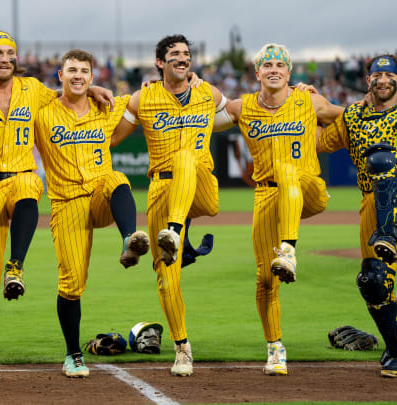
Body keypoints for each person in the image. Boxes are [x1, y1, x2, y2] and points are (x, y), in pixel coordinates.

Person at [0, 31, 114, 381]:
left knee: (30, 184)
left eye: (11, 52)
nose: (5, 58)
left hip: (21, 173)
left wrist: (90, 88)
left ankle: (15, 266)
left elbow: (68, 93)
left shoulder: (32, 89)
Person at [221, 43, 343, 375]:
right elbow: (199, 119)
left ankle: (288, 249)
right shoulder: (242, 106)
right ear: (257, 72)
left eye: (280, 65)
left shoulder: (308, 100)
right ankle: (275, 347)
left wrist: (323, 139)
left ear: (289, 73)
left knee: (287, 169)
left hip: (309, 188)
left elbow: (347, 120)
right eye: (267, 65)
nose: (274, 69)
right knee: (264, 279)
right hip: (267, 197)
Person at [111, 34, 228, 377]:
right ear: (159, 63)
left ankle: (175, 232)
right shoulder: (144, 97)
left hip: (202, 186)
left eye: (186, 54)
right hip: (162, 188)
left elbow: (240, 112)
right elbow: (112, 134)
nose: (182, 58)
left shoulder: (209, 93)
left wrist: (295, 94)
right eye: (174, 54)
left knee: (185, 157)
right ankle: (182, 347)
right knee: (165, 277)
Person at [34, 49, 149, 378]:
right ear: (60, 75)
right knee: (71, 283)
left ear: (92, 76)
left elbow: (143, 100)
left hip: (99, 196)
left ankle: (130, 239)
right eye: (72, 70)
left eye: (84, 71)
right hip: (67, 203)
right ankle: (72, 355)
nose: (78, 76)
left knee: (116, 178)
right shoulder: (43, 113)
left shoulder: (106, 107)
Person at [317, 54, 397, 378]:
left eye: (389, 75)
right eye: (377, 76)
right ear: (368, 81)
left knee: (383, 162)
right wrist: (297, 110)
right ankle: (394, 348)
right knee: (373, 281)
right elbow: (322, 142)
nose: (383, 81)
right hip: (369, 207)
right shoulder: (353, 117)